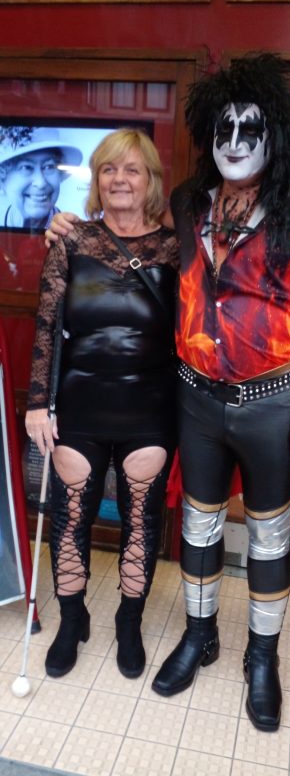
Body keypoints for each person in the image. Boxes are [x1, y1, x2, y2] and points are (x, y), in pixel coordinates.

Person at [46, 53, 290, 732]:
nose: (235, 143)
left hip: (274, 399)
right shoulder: (187, 203)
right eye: (223, 129)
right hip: (197, 399)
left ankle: (260, 659)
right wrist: (66, 225)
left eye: (250, 128)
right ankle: (198, 635)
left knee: (269, 536)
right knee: (199, 525)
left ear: (275, 134)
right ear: (209, 131)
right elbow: (129, 242)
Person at [25, 128, 178, 681]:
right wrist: (38, 402)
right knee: (71, 521)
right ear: (97, 180)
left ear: (150, 181)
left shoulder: (173, 248)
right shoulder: (70, 241)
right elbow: (47, 324)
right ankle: (72, 621)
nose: (120, 179)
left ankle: (129, 624)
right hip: (81, 405)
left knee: (141, 522)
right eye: (110, 169)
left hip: (149, 408)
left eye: (132, 170)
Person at [0, 126, 82, 230]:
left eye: (49, 167)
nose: (40, 183)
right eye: (26, 167)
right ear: (2, 179)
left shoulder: (76, 235)